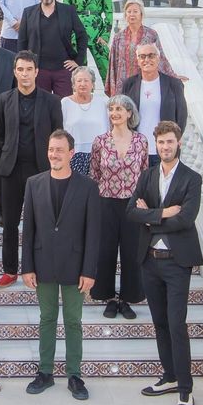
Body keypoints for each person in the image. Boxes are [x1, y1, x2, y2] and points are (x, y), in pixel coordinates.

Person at [127, 120, 203, 405]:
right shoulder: (147, 176)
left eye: (170, 142)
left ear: (179, 143)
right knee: (159, 323)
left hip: (176, 264)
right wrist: (162, 213)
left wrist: (151, 216)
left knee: (176, 324)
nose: (165, 147)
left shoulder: (191, 178)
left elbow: (186, 219)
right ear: (155, 145)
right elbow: (132, 212)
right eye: (160, 142)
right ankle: (169, 376)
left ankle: (185, 389)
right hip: (149, 261)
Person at [21, 130, 101, 401]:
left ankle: (74, 375)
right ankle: (45, 372)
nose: (54, 154)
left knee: (73, 321)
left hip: (75, 266)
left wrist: (89, 270)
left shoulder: (88, 187)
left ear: (71, 153)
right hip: (42, 264)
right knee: (46, 319)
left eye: (59, 150)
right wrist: (27, 267)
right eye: (51, 149)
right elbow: (28, 229)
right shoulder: (33, 183)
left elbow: (93, 233)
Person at [0, 50, 62, 287]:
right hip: (11, 170)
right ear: (15, 72)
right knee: (10, 222)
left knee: (41, 221)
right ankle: (10, 270)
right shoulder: (4, 99)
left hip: (40, 169)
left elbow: (56, 133)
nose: (24, 74)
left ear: (36, 72)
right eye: (20, 69)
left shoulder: (51, 101)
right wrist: (11, 151)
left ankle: (38, 268)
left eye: (29, 69)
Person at [89, 95, 149, 320]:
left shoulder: (141, 141)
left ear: (129, 113)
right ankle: (108, 297)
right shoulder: (100, 141)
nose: (114, 113)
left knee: (131, 251)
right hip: (106, 201)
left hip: (132, 204)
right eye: (111, 109)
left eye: (119, 109)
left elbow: (144, 173)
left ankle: (127, 298)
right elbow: (94, 173)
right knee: (105, 250)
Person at [20, 0, 88, 97]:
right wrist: (25, 66)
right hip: (38, 70)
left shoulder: (68, 11)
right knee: (41, 107)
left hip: (63, 70)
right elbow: (22, 42)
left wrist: (78, 60)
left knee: (64, 107)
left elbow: (82, 35)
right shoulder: (28, 13)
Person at [122, 43, 187, 162]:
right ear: (137, 60)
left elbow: (181, 115)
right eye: (142, 56)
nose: (146, 60)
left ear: (159, 58)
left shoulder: (174, 85)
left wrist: (175, 139)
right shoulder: (129, 85)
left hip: (165, 149)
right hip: (136, 150)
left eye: (151, 56)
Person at [63, 0, 113, 83]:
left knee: (108, 71)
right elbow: (65, 13)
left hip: (97, 33)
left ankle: (114, 101)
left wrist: (106, 35)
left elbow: (109, 11)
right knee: (79, 73)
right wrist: (69, 36)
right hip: (77, 34)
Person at [109, 0, 177, 96]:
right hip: (123, 83)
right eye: (129, 12)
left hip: (145, 80)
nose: (132, 14)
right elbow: (113, 64)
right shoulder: (118, 37)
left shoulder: (151, 34)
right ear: (125, 15)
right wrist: (113, 88)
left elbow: (160, 57)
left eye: (135, 11)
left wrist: (173, 76)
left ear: (141, 14)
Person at [60, 67, 108, 177]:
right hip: (74, 156)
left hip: (99, 156)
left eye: (86, 80)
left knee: (96, 191)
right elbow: (60, 131)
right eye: (79, 80)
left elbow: (109, 131)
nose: (83, 84)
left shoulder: (102, 103)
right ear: (73, 85)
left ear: (93, 84)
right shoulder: (65, 103)